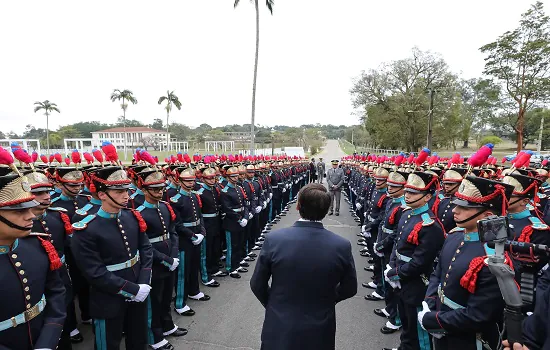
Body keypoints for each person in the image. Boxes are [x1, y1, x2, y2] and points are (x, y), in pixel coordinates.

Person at [250, 183, 357, 350]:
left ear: (298, 206)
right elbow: (350, 288)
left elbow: (257, 284)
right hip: (320, 327)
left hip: (279, 325)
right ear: (326, 209)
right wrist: (327, 300)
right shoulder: (341, 245)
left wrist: (274, 304)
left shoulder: (275, 239)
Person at [419, 175, 515, 350]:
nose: (455, 210)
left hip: (468, 340)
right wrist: (430, 303)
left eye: (464, 207)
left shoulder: (493, 257)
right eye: (456, 204)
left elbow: (479, 314)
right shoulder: (455, 235)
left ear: (487, 215)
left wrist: (434, 320)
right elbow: (438, 273)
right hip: (442, 324)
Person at [71, 166, 154, 350]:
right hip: (107, 298)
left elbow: (146, 249)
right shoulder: (87, 229)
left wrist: (143, 281)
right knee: (108, 344)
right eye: (119, 191)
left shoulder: (132, 217)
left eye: (126, 190)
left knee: (139, 340)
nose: (126, 195)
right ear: (101, 194)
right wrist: (132, 289)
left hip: (139, 290)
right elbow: (94, 272)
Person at [0, 169, 67, 350]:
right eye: (18, 210)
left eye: (29, 208)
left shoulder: (38, 245)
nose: (30, 215)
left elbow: (55, 293)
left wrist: (47, 342)